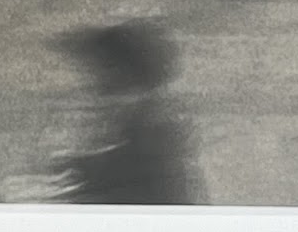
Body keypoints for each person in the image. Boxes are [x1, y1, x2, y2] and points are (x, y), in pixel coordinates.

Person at [52, 21, 208, 205]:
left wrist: (87, 173)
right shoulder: (144, 118)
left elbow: (141, 174)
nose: (93, 83)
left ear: (123, 73)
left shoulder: (151, 127)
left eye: (101, 69)